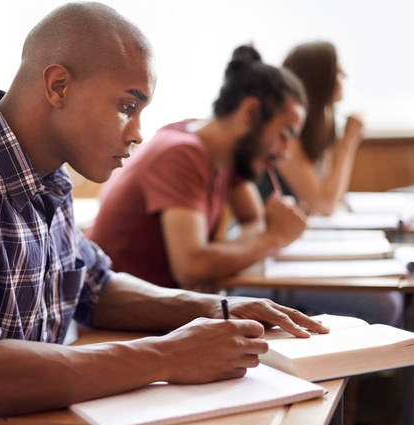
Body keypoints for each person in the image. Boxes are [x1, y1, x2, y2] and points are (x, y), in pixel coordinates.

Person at [0, 3, 328, 425]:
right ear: (58, 85)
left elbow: (93, 284)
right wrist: (166, 356)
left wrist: (218, 309)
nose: (137, 133)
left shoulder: (48, 177)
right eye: (127, 106)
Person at [88, 45, 309, 290]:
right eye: (284, 134)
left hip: (171, 309)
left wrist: (234, 249)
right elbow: (192, 268)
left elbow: (252, 219)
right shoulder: (182, 154)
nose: (286, 152)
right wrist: (274, 238)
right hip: (124, 320)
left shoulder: (227, 152)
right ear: (251, 113)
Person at [257, 41, 364, 215]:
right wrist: (348, 144)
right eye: (337, 71)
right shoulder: (283, 132)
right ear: (319, 79)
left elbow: (333, 196)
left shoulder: (322, 125)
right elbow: (325, 204)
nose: (345, 75)